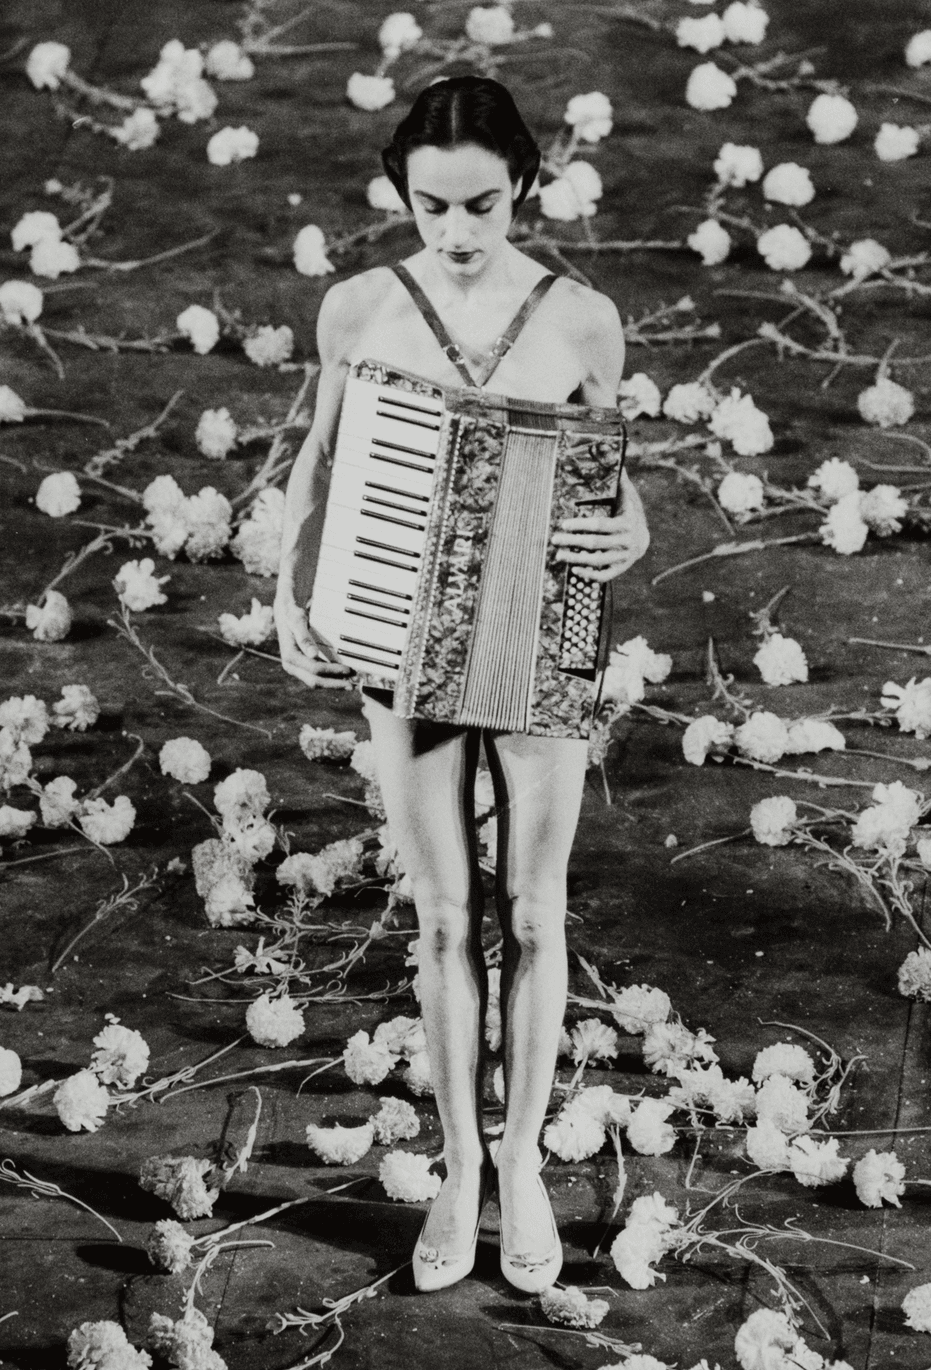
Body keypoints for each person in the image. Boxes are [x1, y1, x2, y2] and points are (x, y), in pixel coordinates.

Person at [273, 76, 650, 1293]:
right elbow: (316, 459)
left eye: (481, 202)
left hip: (539, 632)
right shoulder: (359, 308)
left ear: (525, 185)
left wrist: (629, 536)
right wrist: (291, 591)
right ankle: (457, 1166)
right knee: (442, 918)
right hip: (399, 630)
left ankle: (525, 1162)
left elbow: (616, 482)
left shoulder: (580, 317)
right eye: (430, 204)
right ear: (400, 193)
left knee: (533, 915)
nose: (456, 230)